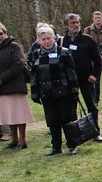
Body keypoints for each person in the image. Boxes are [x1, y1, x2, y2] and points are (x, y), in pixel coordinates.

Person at [30, 25, 80, 155]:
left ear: (54, 38)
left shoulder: (64, 52)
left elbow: (71, 73)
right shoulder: (36, 54)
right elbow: (34, 76)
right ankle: (56, 146)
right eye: (43, 39)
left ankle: (72, 145)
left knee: (67, 119)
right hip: (47, 93)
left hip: (64, 92)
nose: (47, 41)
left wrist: (74, 90)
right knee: (52, 120)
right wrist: (35, 94)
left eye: (49, 38)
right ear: (39, 41)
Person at [61, 13, 102, 142]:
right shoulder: (62, 41)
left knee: (92, 106)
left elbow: (97, 60)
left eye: (77, 22)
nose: (76, 25)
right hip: (70, 80)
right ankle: (76, 136)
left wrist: (94, 75)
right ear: (66, 25)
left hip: (86, 78)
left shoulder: (88, 39)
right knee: (71, 108)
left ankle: (96, 132)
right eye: (73, 23)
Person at [0, 22, 34, 149]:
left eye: (1, 33)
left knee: (19, 114)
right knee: (9, 114)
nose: (0, 36)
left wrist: (3, 78)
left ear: (5, 32)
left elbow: (19, 64)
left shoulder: (14, 46)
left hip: (15, 85)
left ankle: (22, 140)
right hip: (3, 88)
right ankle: (14, 139)